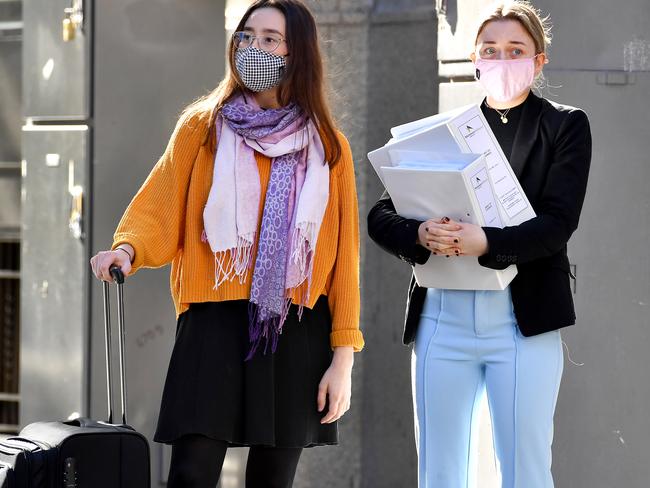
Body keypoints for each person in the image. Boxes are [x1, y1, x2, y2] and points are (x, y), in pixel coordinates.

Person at [90, 1, 364, 486]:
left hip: (295, 324)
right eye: (247, 36)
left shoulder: (327, 146)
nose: (254, 47)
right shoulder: (203, 127)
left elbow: (344, 260)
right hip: (213, 321)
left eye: (270, 39)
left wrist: (342, 360)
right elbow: (163, 200)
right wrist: (127, 249)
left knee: (271, 479)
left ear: (297, 52)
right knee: (192, 474)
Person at [367, 2, 591, 487]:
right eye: (491, 50)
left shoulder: (565, 125)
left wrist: (484, 240)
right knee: (439, 473)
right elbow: (381, 215)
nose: (502, 60)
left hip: (522, 321)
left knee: (526, 472)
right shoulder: (444, 130)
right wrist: (420, 234)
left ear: (539, 60)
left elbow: (557, 224)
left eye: (516, 50)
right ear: (474, 58)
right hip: (441, 319)